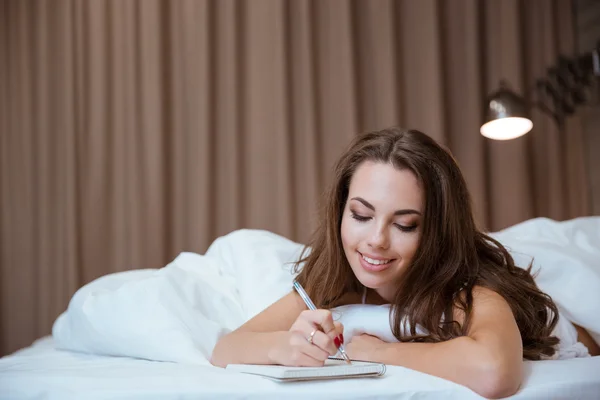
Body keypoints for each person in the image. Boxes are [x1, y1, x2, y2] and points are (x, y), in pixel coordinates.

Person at [211, 127, 599, 399]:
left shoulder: (473, 287)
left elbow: (494, 373)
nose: (376, 240)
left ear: (435, 231)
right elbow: (227, 348)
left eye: (405, 224)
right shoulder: (336, 277)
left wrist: (380, 354)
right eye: (361, 216)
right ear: (340, 212)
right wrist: (284, 347)